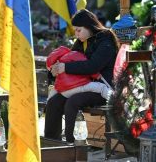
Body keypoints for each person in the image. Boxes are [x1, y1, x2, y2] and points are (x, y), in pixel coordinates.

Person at [44, 9, 118, 143]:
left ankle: (72, 143)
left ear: (89, 27)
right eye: (75, 31)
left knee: (72, 102)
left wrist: (64, 68)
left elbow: (93, 66)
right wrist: (54, 70)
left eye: (79, 30)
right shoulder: (81, 42)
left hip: (102, 89)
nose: (76, 34)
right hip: (80, 85)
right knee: (54, 102)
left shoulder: (106, 40)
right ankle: (51, 142)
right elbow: (69, 60)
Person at [46, 46, 113, 100]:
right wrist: (96, 75)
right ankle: (114, 101)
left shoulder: (56, 65)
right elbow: (87, 66)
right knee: (101, 87)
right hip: (79, 86)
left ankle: (47, 105)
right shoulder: (73, 54)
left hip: (64, 92)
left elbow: (56, 86)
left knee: (54, 89)